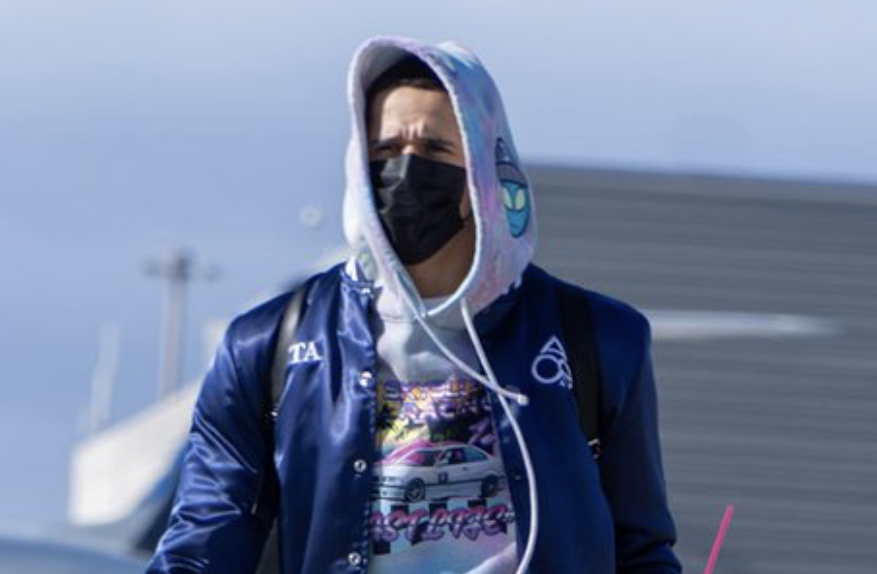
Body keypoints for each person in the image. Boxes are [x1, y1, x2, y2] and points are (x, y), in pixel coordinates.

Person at [145, 36, 681, 574]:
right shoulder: (265, 346)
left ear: (484, 172)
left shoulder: (597, 339)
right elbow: (201, 546)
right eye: (384, 150)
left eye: (433, 149)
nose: (405, 169)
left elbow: (642, 552)